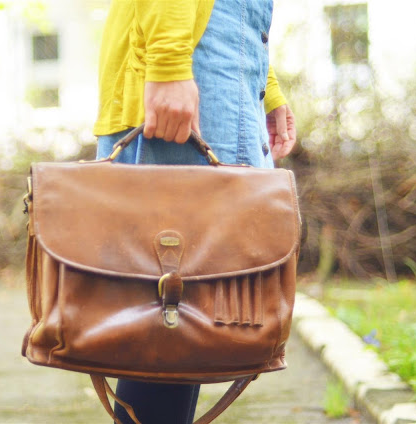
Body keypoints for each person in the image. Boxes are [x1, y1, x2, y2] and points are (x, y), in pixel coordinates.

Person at [93, 1, 297, 423]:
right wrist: (168, 63)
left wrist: (266, 86)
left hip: (222, 52)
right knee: (167, 314)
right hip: (191, 47)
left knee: (179, 321)